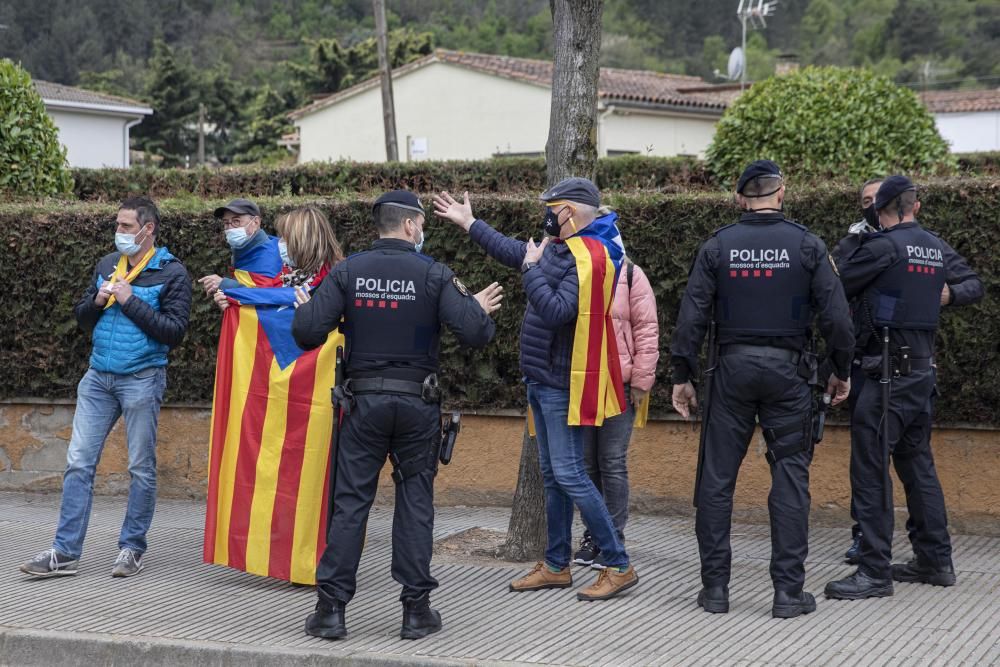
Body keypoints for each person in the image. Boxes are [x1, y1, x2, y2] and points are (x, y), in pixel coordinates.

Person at [291, 190, 499, 641]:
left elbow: (306, 333)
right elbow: (478, 332)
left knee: (350, 505)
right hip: (417, 407)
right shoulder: (434, 274)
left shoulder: (349, 272)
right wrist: (475, 308)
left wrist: (311, 308)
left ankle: (330, 611)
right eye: (421, 224)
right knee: (415, 503)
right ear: (410, 225)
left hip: (362, 407)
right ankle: (415, 611)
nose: (422, 231)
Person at [433, 178, 640, 602]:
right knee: (553, 475)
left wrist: (529, 270)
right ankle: (556, 564)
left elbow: (558, 308)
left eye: (552, 207)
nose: (546, 214)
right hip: (543, 379)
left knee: (570, 474)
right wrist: (470, 223)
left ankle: (618, 564)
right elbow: (519, 252)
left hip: (564, 382)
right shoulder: (566, 248)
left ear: (572, 211)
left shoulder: (595, 256)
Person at [671, 160, 854, 619]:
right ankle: (788, 595)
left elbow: (691, 316)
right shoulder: (807, 245)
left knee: (716, 482)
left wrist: (682, 375)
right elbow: (837, 319)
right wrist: (840, 368)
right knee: (790, 478)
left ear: (739, 199)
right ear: (782, 193)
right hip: (790, 374)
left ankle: (715, 590)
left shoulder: (719, 246)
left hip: (730, 371)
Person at [825, 176, 981, 601]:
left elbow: (834, 288)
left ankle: (874, 570)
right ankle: (935, 560)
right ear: (915, 205)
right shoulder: (932, 245)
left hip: (887, 377)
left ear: (884, 208)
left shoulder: (882, 246)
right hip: (921, 373)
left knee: (871, 469)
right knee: (917, 466)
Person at [19, 196, 192, 578]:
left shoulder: (172, 272)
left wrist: (129, 302)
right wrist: (97, 301)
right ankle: (65, 553)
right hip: (98, 378)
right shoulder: (106, 265)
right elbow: (83, 320)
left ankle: (131, 548)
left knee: (140, 468)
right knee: (78, 463)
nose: (119, 232)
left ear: (148, 230)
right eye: (117, 225)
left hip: (142, 379)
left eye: (127, 227)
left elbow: (174, 333)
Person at [573, 257, 659, 569]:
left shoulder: (633, 274)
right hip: (583, 381)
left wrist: (641, 381)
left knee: (611, 461)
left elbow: (647, 329)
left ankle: (613, 537)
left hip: (619, 383)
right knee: (585, 464)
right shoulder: (579, 269)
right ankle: (593, 536)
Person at [212, 205, 344, 313]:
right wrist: (233, 303)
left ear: (304, 242)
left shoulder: (338, 279)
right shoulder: (285, 275)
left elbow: (275, 297)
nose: (279, 242)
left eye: (285, 237)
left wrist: (237, 294)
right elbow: (265, 304)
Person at [199, 198, 282, 299]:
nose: (230, 228)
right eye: (226, 223)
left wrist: (224, 284)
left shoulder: (269, 254)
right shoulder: (244, 249)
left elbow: (265, 298)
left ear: (255, 222)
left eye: (236, 221)